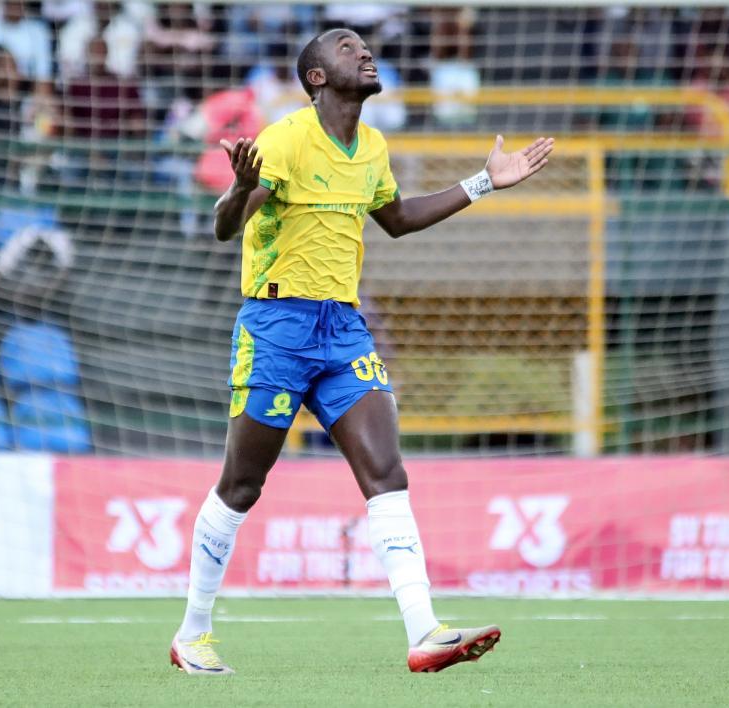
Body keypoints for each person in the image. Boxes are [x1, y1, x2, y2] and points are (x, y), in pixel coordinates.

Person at [171, 28, 554, 675]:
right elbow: (223, 226)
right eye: (346, 47)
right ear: (316, 77)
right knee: (242, 484)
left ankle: (425, 630)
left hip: (343, 330)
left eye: (365, 45)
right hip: (277, 325)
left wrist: (484, 182)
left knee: (387, 473)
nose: (365, 51)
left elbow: (397, 219)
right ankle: (193, 633)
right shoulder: (286, 139)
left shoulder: (372, 145)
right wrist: (238, 190)